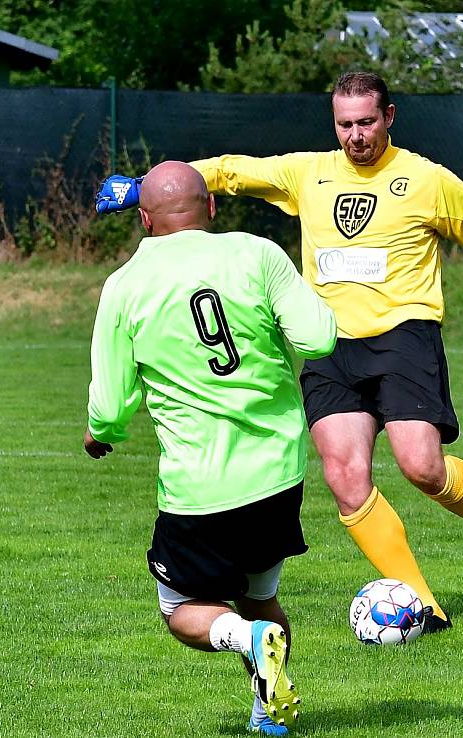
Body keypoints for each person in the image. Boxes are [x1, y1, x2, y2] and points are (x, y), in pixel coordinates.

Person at [96, 71, 463, 635]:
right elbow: (230, 171)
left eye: (367, 122)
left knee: (422, 468)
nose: (355, 135)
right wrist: (143, 185)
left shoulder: (426, 180)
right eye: (345, 124)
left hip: (404, 336)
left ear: (390, 117)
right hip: (331, 344)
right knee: (345, 475)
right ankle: (426, 609)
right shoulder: (309, 173)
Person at [86, 160, 337, 736]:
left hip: (199, 488)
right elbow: (318, 338)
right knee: (258, 595)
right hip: (278, 472)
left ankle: (246, 640)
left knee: (181, 612)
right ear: (212, 209)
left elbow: (111, 400)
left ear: (144, 219)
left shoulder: (124, 285)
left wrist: (102, 433)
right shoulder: (259, 253)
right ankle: (265, 717)